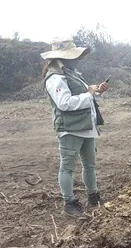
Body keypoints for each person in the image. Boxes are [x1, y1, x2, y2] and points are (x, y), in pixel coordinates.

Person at [42, 40, 109, 217]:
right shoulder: (55, 77)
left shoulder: (71, 73)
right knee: (67, 167)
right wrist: (89, 94)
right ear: (61, 58)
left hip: (85, 125)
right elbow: (64, 103)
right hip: (70, 128)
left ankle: (94, 197)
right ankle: (69, 202)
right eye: (73, 56)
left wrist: (96, 90)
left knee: (90, 164)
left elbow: (83, 93)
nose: (76, 60)